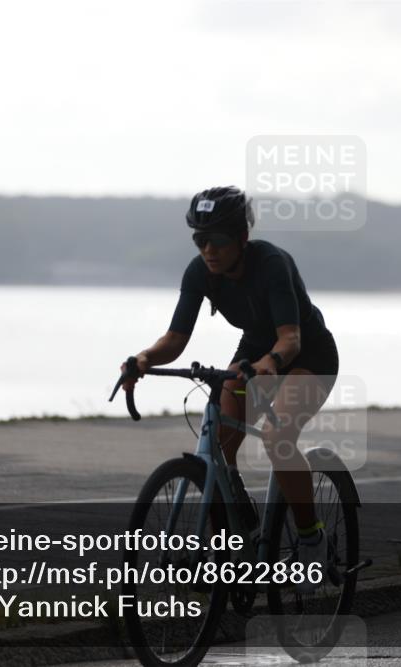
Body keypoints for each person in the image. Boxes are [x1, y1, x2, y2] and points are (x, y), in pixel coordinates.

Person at [120, 185, 340, 591]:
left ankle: (311, 538)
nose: (208, 249)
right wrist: (144, 359)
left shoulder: (272, 263)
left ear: (241, 238)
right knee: (219, 439)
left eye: (218, 240)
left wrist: (270, 363)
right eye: (200, 240)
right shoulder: (200, 271)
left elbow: (290, 339)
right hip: (254, 350)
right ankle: (240, 528)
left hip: (308, 355)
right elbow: (175, 338)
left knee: (278, 436)